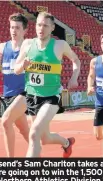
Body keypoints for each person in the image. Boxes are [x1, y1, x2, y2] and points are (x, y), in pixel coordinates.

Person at [14, 12, 81, 158]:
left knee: (34, 133)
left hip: (51, 97)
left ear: (52, 28)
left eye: (45, 25)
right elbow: (16, 68)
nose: (41, 28)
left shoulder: (59, 45)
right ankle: (67, 143)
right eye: (38, 24)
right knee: (44, 138)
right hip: (32, 95)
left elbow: (76, 60)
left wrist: (74, 77)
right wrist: (22, 66)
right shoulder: (27, 44)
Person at [0, 13, 29, 157]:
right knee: (27, 133)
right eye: (12, 27)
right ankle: (65, 143)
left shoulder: (29, 46)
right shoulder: (2, 46)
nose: (14, 31)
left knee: (6, 121)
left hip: (25, 93)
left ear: (25, 31)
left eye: (17, 28)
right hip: (8, 94)